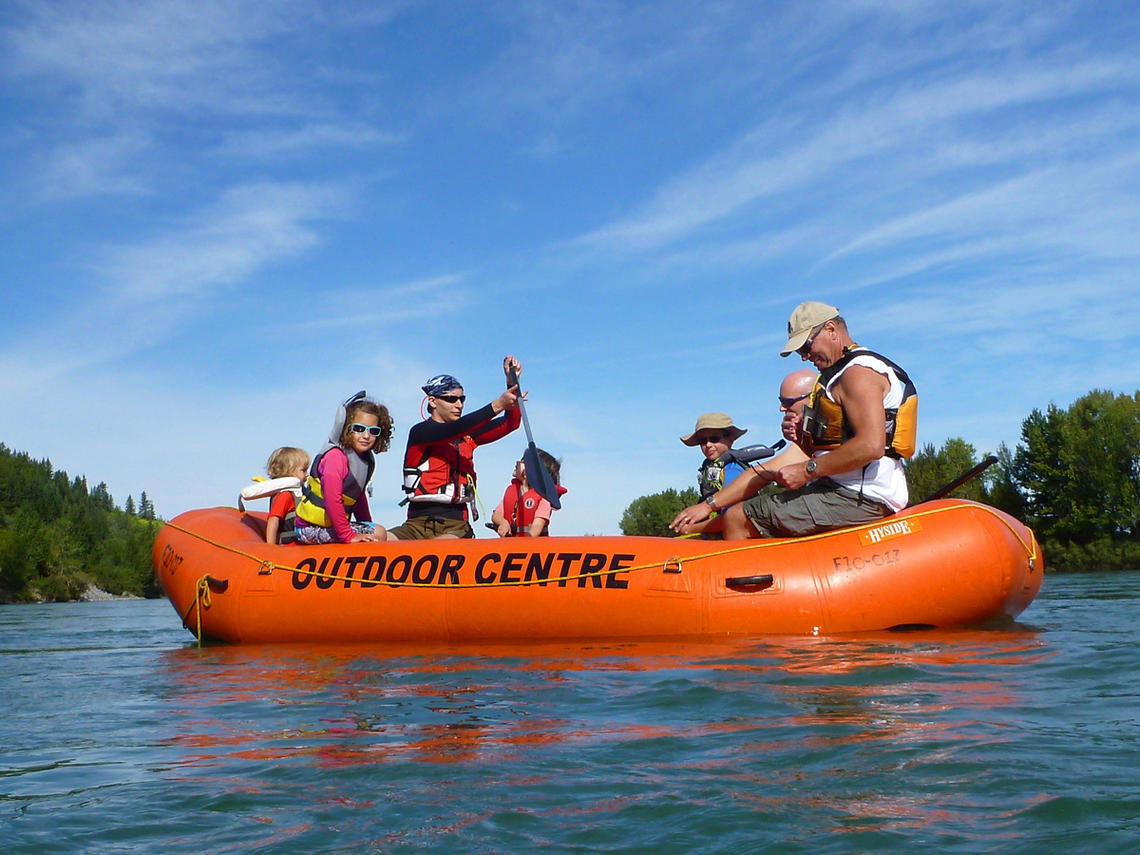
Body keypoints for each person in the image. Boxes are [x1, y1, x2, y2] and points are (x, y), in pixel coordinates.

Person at [671, 302, 916, 538]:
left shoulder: (857, 373)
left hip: (861, 497)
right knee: (747, 509)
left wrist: (808, 470)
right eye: (800, 351)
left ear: (831, 329)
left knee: (738, 517)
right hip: (838, 491)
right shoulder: (838, 376)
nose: (804, 356)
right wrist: (710, 505)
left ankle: (741, 580)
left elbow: (870, 446)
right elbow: (767, 470)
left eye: (806, 347)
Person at [388, 356, 522, 540]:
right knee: (380, 538)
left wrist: (511, 383)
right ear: (433, 401)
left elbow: (510, 423)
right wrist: (498, 404)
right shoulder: (420, 433)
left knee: (441, 548)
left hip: (456, 525)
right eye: (451, 399)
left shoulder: (468, 436)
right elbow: (451, 430)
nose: (459, 405)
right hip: (415, 525)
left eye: (461, 399)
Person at [294, 392, 393, 544]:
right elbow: (332, 499)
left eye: (373, 431)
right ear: (346, 428)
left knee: (376, 531)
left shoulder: (365, 460)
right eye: (359, 429)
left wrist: (366, 524)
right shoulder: (336, 457)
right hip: (309, 528)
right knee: (379, 532)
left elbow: (358, 497)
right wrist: (349, 535)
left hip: (330, 527)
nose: (366, 436)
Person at [492, 448, 567, 537]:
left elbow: (538, 524)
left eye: (523, 461)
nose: (517, 463)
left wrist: (527, 543)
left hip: (532, 547)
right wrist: (503, 522)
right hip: (510, 544)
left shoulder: (543, 498)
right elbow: (496, 514)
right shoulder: (512, 491)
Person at [681, 412, 748, 501]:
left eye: (714, 439)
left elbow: (732, 505)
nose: (708, 444)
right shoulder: (708, 467)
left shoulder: (733, 469)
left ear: (730, 439)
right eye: (703, 441)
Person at [263, 446, 309, 545]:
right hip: (290, 548)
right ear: (288, 471)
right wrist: (270, 547)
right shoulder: (285, 495)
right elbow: (273, 520)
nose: (307, 474)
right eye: (303, 470)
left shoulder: (301, 493)